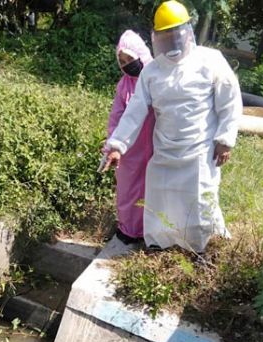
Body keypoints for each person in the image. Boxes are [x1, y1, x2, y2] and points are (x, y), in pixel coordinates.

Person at [104, 0, 242, 253]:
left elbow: (229, 101)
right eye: (165, 37)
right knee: (162, 200)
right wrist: (117, 145)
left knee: (199, 201)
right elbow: (134, 112)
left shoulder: (210, 61)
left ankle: (199, 249)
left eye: (176, 35)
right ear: (157, 38)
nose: (172, 42)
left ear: (188, 31)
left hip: (200, 151)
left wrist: (225, 139)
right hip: (165, 151)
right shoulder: (152, 72)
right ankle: (161, 245)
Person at [104, 30, 156, 245]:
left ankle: (150, 231)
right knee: (127, 189)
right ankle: (128, 230)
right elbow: (116, 116)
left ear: (141, 55)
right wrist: (111, 144)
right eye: (122, 61)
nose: (127, 64)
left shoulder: (156, 77)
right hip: (130, 149)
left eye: (130, 59)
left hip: (156, 147)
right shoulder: (123, 85)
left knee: (153, 189)